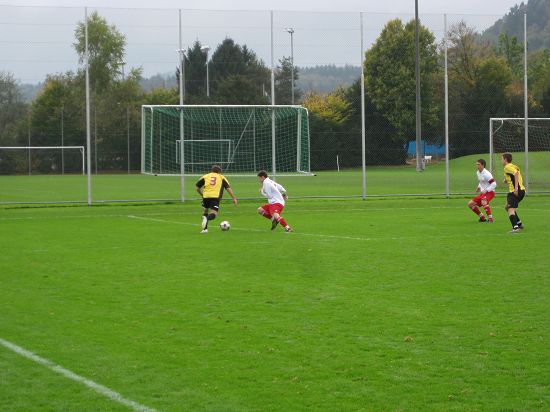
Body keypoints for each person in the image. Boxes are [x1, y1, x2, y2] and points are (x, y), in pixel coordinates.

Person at [195, 165, 237, 233]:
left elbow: (197, 188)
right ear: (219, 171)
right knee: (214, 214)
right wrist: (234, 198)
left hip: (206, 196)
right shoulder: (221, 177)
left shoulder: (205, 176)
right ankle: (206, 218)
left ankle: (205, 229)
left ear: (211, 170)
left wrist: (202, 195)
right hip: (215, 197)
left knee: (206, 211)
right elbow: (228, 188)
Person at [502, 152, 525, 233]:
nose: (501, 161)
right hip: (521, 191)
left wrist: (516, 188)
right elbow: (514, 174)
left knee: (510, 209)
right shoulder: (513, 166)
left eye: (502, 159)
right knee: (506, 207)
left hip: (515, 191)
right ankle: (519, 223)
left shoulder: (507, 167)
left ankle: (515, 228)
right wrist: (506, 180)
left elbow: (516, 174)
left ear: (505, 159)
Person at [467, 158, 496, 223]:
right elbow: (481, 181)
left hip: (490, 192)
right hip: (483, 193)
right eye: (476, 164)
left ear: (482, 165)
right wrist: (478, 187)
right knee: (470, 204)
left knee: (484, 201)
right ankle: (482, 218)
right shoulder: (478, 172)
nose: (477, 166)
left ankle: (490, 219)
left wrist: (486, 190)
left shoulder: (487, 174)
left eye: (478, 164)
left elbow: (494, 184)